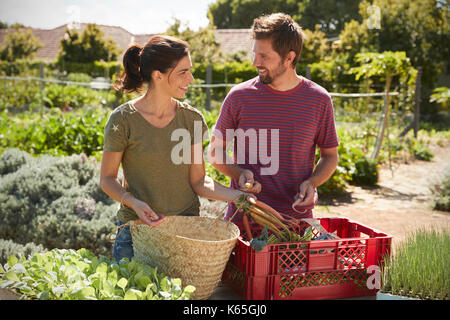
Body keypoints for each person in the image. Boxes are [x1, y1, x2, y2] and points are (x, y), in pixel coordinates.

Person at [100, 35, 249, 262]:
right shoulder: (123, 119)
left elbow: (199, 181)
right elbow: (107, 179)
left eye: (190, 70)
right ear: (158, 75)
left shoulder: (191, 119)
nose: (191, 78)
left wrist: (239, 196)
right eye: (183, 72)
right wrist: (133, 202)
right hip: (135, 234)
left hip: (185, 235)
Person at [207, 13, 339, 228]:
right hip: (244, 220)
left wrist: (312, 182)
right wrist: (238, 173)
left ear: (289, 57)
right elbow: (215, 152)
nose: (255, 62)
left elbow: (330, 155)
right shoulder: (238, 96)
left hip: (296, 222)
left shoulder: (319, 99)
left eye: (264, 56)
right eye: (255, 54)